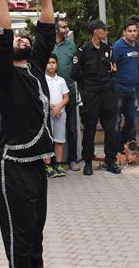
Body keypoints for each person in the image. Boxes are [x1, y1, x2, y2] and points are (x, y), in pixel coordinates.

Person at [0, 0, 56, 267]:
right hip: (11, 164)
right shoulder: (5, 75)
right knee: (20, 236)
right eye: (18, 38)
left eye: (25, 39)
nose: (22, 40)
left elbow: (46, 30)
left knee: (36, 233)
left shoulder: (36, 67)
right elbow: (3, 36)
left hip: (36, 163)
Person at [72, 20, 121, 175]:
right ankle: (88, 162)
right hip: (91, 94)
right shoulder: (83, 50)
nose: (106, 32)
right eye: (103, 29)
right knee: (90, 129)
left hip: (107, 93)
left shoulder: (108, 49)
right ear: (95, 31)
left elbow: (113, 69)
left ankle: (110, 160)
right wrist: (86, 85)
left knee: (110, 128)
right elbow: (74, 73)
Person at [52, 19, 80, 171]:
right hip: (51, 93)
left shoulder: (71, 45)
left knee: (72, 128)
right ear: (56, 29)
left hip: (69, 91)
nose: (67, 28)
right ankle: (52, 162)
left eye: (67, 26)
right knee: (51, 128)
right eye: (63, 26)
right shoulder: (48, 44)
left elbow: (75, 66)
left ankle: (73, 159)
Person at [111, 19, 139, 153]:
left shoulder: (136, 46)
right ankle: (116, 150)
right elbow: (110, 65)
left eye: (135, 31)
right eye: (130, 31)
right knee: (116, 119)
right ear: (124, 32)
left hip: (131, 88)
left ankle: (123, 143)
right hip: (118, 88)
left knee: (132, 119)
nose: (132, 34)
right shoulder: (117, 46)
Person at [43, 55, 70, 178]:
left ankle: (58, 164)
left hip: (60, 113)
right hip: (47, 114)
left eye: (53, 62)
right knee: (48, 139)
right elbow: (40, 97)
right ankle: (48, 165)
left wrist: (58, 107)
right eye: (48, 63)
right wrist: (51, 108)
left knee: (59, 140)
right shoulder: (42, 80)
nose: (51, 65)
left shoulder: (61, 80)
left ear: (57, 65)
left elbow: (66, 97)